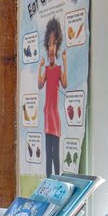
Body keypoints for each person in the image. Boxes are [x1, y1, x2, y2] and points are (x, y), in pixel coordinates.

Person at [40, 16, 65, 177]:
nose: (51, 47)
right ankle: (49, 179)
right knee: (48, 153)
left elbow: (65, 84)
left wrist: (66, 61)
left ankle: (57, 178)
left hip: (54, 115)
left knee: (55, 152)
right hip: (47, 114)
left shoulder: (58, 69)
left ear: (57, 46)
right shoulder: (48, 70)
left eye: (54, 43)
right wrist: (40, 67)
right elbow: (40, 84)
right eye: (49, 44)